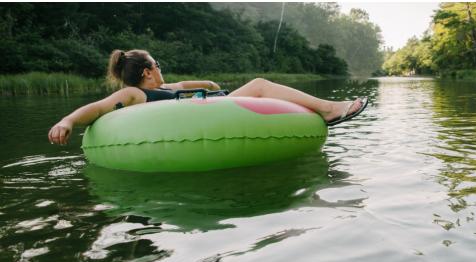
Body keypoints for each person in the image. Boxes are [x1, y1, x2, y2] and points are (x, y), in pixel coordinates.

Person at [48, 49, 369, 145]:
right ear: (147, 72)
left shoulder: (166, 88)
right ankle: (330, 109)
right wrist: (68, 120)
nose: (161, 69)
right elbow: (99, 107)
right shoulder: (133, 94)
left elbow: (202, 83)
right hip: (205, 115)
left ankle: (324, 110)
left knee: (258, 85)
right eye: (157, 65)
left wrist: (209, 85)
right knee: (259, 83)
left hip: (214, 103)